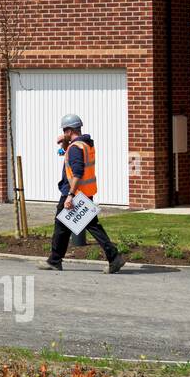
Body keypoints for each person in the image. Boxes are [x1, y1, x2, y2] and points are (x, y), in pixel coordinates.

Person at [40, 114, 127, 273]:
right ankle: (55, 260)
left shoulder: (75, 148)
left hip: (75, 193)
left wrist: (70, 196)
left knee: (74, 226)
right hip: (85, 192)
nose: (64, 132)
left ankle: (114, 258)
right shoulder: (85, 144)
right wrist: (66, 142)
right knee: (68, 226)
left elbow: (78, 173)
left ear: (69, 130)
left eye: (65, 130)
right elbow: (72, 155)